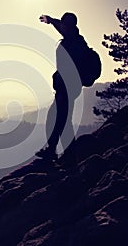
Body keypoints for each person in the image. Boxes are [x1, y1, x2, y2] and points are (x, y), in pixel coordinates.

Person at [36, 12, 87, 160]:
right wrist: (51, 21)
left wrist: (62, 84)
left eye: (64, 24)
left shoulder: (74, 44)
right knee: (62, 119)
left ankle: (60, 154)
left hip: (67, 88)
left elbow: (71, 69)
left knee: (59, 119)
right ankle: (61, 153)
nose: (61, 26)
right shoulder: (73, 38)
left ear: (69, 26)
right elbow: (61, 27)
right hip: (67, 88)